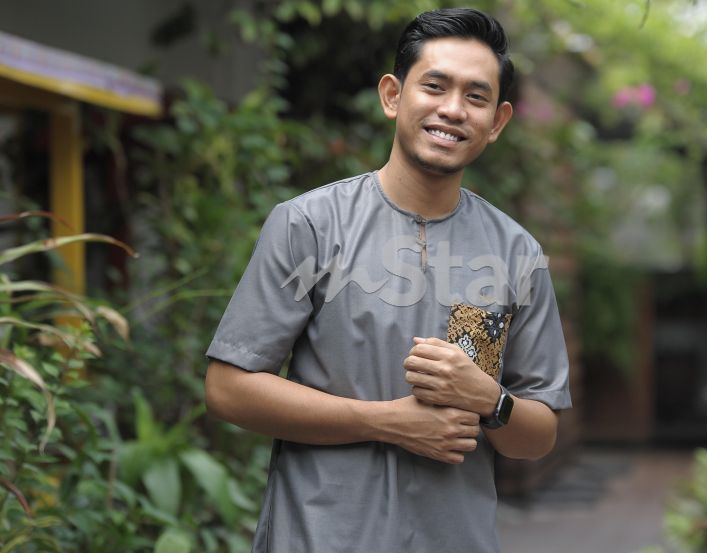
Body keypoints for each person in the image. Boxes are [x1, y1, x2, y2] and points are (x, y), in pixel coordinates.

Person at [204, 7, 571, 552]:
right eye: (435, 86)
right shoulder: (311, 225)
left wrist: (490, 399)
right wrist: (385, 421)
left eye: (476, 97)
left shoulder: (516, 253)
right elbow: (228, 389)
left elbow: (537, 435)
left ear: (497, 122)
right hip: (320, 537)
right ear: (393, 96)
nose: (453, 109)